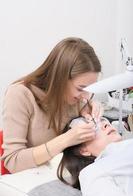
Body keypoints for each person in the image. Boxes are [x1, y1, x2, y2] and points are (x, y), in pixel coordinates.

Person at [1, 37, 102, 173]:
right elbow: (13, 162)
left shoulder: (78, 99)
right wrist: (65, 140)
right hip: (30, 180)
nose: (85, 96)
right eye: (80, 88)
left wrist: (90, 105)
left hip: (61, 176)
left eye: (91, 90)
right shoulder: (20, 95)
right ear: (60, 79)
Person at [57, 116, 133, 196]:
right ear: (83, 151)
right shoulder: (91, 173)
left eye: (103, 120)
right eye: (93, 127)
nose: (106, 124)